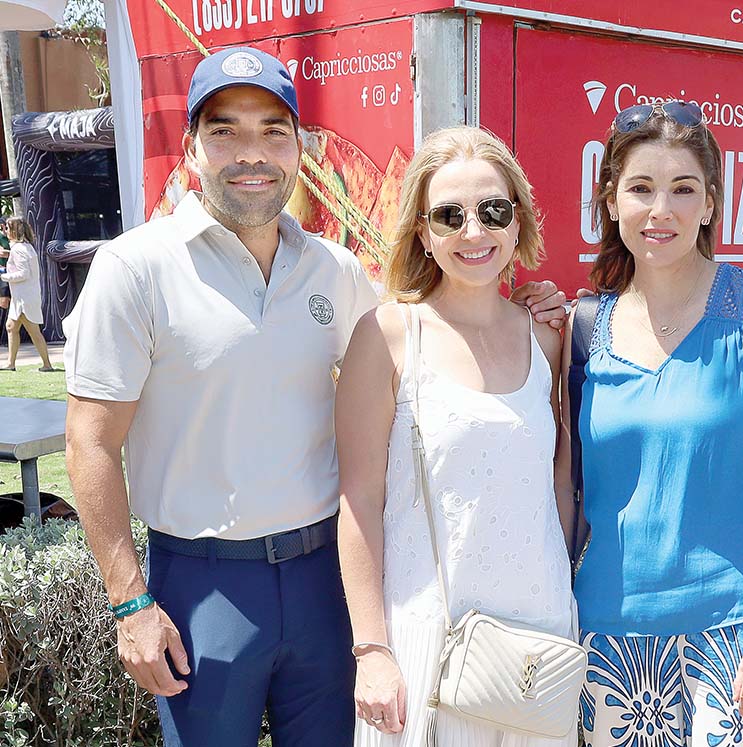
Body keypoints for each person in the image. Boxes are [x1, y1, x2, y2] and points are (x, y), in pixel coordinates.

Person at [64, 48, 565, 747]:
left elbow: (434, 338)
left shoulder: (332, 271)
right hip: (204, 586)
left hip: (322, 583)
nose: (252, 154)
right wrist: (129, 600)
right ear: (190, 148)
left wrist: (532, 305)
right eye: (225, 131)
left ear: (299, 146)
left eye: (274, 131)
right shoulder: (136, 268)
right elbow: (89, 441)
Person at [561, 101, 743, 746]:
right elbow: (571, 491)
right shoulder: (584, 328)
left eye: (683, 189)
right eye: (641, 189)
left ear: (709, 204)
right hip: (610, 631)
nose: (661, 210)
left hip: (737, 632)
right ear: (612, 202)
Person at [336, 126, 575, 746]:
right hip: (425, 644)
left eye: (493, 210)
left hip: (536, 645)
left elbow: (558, 486)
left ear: (518, 221)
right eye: (449, 215)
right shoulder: (388, 336)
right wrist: (372, 650)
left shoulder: (548, 336)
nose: (474, 232)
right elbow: (359, 500)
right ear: (423, 231)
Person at [1, 216, 54, 372]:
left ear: (14, 230)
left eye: (8, 228)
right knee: (11, 326)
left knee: (33, 331)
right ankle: (11, 364)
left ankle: (47, 364)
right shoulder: (24, 247)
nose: (5, 231)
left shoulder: (19, 249)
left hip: (24, 298)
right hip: (23, 296)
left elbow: (24, 274)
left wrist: (3, 275)